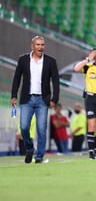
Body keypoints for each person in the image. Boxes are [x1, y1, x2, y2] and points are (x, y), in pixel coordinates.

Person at [11, 35, 60, 164]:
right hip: (27, 99)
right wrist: (14, 95)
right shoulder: (23, 60)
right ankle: (29, 149)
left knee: (41, 129)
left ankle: (39, 157)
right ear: (32, 46)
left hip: (43, 100)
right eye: (37, 45)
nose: (40, 47)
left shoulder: (50, 61)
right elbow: (17, 78)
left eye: (42, 45)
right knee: (24, 127)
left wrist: (54, 98)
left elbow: (56, 81)